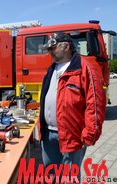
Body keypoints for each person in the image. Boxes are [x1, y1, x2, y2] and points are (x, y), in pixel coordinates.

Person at [39, 32, 106, 182]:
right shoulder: (51, 69)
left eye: (53, 48)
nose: (49, 52)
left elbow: (95, 103)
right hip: (48, 134)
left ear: (66, 46)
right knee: (50, 174)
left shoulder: (86, 68)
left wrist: (91, 133)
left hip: (72, 136)